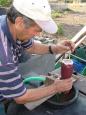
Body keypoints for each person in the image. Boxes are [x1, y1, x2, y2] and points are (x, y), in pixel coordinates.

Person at [0, 0, 75, 106]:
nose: (38, 34)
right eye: (37, 30)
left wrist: (55, 48)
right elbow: (20, 97)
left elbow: (32, 47)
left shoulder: (9, 23)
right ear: (20, 22)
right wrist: (56, 87)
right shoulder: (4, 56)